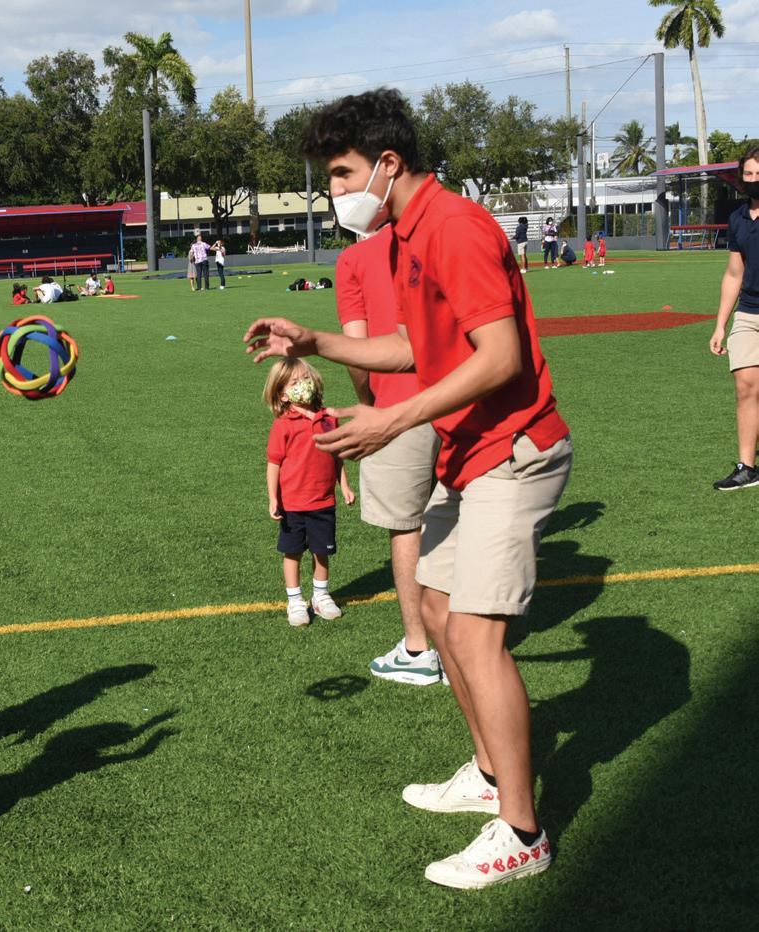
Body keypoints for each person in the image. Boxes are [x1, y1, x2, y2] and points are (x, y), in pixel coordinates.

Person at [245, 88, 572, 890]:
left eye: (340, 173)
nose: (333, 191)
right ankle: (490, 777)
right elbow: (415, 346)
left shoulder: (454, 227)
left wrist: (392, 421)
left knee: (473, 636)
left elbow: (500, 357)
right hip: (468, 454)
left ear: (387, 163)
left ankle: (522, 832)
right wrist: (314, 339)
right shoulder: (404, 233)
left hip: (512, 451)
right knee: (433, 611)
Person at [336, 225, 444, 685]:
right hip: (461, 396)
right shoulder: (440, 236)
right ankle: (463, 646)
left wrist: (369, 402)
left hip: (398, 405)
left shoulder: (354, 259)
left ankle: (419, 649)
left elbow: (358, 353)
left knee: (406, 525)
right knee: (456, 517)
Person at [264, 358, 355, 626]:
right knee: (292, 552)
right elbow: (274, 463)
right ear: (283, 394)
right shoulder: (283, 424)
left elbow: (336, 455)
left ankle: (321, 595)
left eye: (305, 379)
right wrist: (273, 498)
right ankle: (295, 600)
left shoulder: (328, 419)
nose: (303, 385)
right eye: (294, 382)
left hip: (323, 501)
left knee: (321, 551)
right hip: (292, 503)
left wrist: (344, 485)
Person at [709, 144, 759, 492]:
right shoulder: (739, 218)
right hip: (749, 312)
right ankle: (747, 467)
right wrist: (720, 325)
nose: (754, 179)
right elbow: (733, 273)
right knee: (745, 385)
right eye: (749, 174)